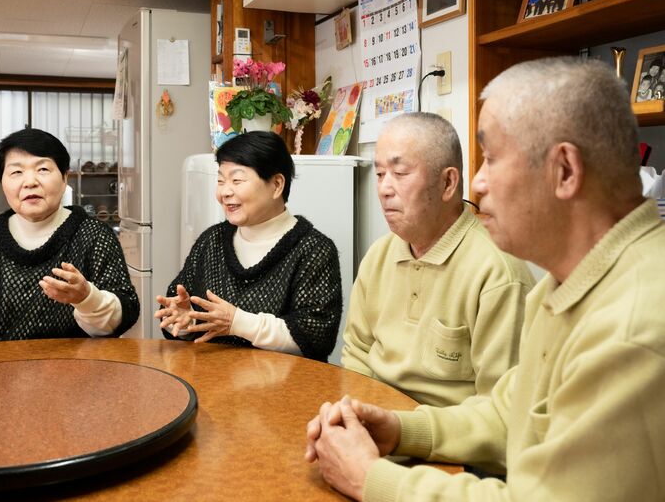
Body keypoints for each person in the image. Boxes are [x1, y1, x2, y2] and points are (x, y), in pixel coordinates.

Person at [306, 56, 665, 501]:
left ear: (565, 171)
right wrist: (399, 429)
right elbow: (506, 413)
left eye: (491, 159)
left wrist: (371, 479)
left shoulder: (632, 328)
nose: (476, 185)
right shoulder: (566, 283)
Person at [341, 112, 534, 408]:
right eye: (380, 174)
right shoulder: (378, 256)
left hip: (447, 434)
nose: (384, 189)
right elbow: (357, 352)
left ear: (447, 183)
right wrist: (358, 413)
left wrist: (401, 428)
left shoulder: (498, 273)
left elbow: (500, 407)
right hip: (373, 417)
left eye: (400, 173)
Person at [0, 128, 140, 344]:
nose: (30, 182)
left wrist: (87, 298)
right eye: (16, 172)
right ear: (2, 182)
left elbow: (123, 312)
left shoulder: (95, 236)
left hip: (77, 364)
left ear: (64, 177)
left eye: (43, 169)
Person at [155, 131, 342, 361]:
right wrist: (186, 321)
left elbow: (316, 339)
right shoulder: (212, 240)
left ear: (276, 185)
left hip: (285, 382)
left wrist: (238, 322)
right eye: (220, 181)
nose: (224, 192)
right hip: (212, 377)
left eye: (237, 180)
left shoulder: (313, 250)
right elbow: (178, 314)